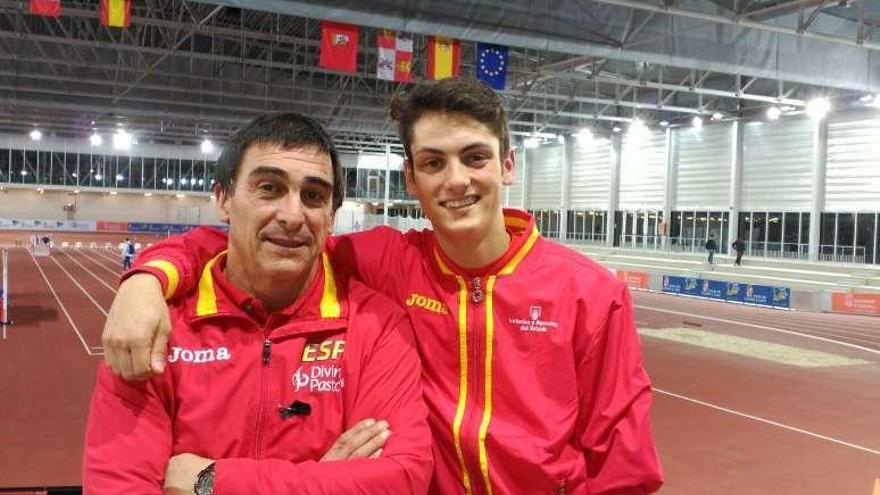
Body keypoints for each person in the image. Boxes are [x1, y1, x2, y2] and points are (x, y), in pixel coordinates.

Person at [101, 78, 663, 494]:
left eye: (475, 158)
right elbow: (261, 242)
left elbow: (626, 469)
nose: (458, 180)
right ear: (412, 179)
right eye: (434, 163)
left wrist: (209, 482)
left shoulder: (589, 293)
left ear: (508, 164)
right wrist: (148, 278)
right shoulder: (388, 260)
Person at [83, 113, 432, 494]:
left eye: (314, 196)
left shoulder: (376, 325)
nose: (292, 215)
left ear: (331, 217)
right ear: (223, 199)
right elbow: (117, 487)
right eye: (269, 188)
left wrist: (211, 481)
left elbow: (401, 480)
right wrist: (324, 481)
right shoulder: (155, 326)